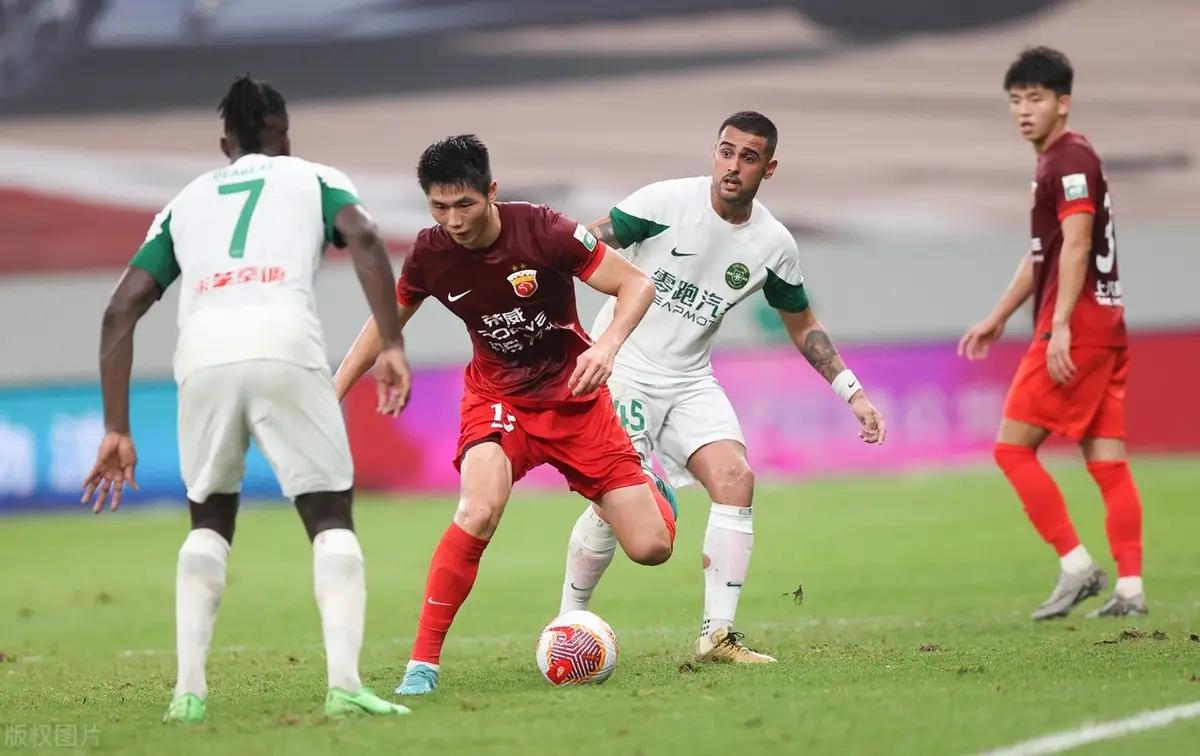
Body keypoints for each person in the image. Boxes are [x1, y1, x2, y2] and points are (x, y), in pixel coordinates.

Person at [81, 75, 413, 721]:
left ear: (224, 143)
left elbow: (121, 307)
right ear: (284, 134)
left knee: (209, 520)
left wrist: (117, 427)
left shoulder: (183, 202)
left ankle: (188, 694)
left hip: (203, 357)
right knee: (329, 516)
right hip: (285, 346)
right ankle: (345, 685)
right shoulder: (315, 178)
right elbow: (366, 237)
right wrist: (392, 343)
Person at [333, 135, 678, 696]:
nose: (453, 221)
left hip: (575, 400)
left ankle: (650, 486)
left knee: (651, 548)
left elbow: (636, 283)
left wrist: (607, 346)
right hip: (500, 400)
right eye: (438, 207)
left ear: (491, 191)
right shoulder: (430, 254)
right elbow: (384, 322)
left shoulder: (545, 230)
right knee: (477, 511)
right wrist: (333, 393)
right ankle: (422, 665)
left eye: (464, 205)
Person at [557, 111, 887, 663]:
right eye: (726, 152)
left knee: (737, 480)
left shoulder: (773, 244)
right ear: (714, 153)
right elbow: (583, 245)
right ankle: (567, 621)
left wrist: (852, 392)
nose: (733, 166)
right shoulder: (664, 203)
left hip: (690, 379)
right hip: (624, 370)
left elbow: (803, 325)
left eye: (749, 157)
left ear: (769, 168)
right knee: (619, 504)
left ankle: (717, 636)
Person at [959, 47, 1145, 619]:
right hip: (1106, 323)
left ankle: (1076, 565)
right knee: (1107, 462)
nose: (1023, 110)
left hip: (1078, 327)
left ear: (1063, 103)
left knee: (1012, 449)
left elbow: (1079, 243)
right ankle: (1131, 590)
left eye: (1035, 98)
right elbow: (1046, 252)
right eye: (1016, 99)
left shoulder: (1068, 161)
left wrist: (1059, 324)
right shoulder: (1063, 159)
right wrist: (999, 316)